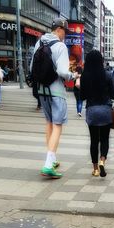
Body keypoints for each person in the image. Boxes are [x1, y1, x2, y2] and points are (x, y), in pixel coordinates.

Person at [33, 18, 78, 179]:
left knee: (49, 123)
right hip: (56, 91)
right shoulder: (60, 46)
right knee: (58, 125)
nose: (65, 35)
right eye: (65, 31)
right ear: (59, 29)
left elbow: (33, 67)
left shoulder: (39, 43)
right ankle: (48, 164)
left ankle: (51, 159)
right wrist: (73, 75)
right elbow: (62, 71)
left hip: (42, 90)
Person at [80, 50, 114, 177]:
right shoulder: (107, 75)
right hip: (105, 111)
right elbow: (113, 95)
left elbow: (82, 96)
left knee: (94, 140)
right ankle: (102, 160)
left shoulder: (85, 76)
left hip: (92, 111)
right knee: (105, 139)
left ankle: (95, 169)